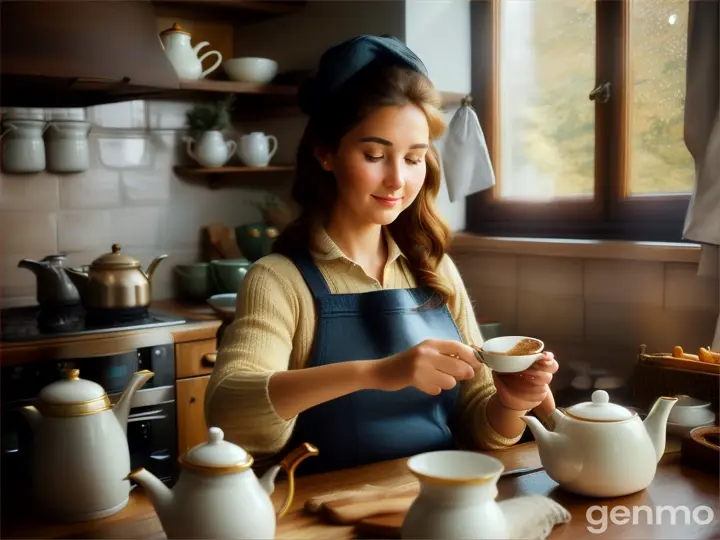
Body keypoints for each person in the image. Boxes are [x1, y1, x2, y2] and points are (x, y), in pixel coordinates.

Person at [204, 35, 559, 475]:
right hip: (322, 514)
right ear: (326, 153)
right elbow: (230, 413)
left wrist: (510, 403)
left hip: (435, 502)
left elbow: (476, 420)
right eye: (375, 154)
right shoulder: (278, 279)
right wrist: (375, 373)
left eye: (413, 159)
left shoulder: (433, 268)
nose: (397, 180)